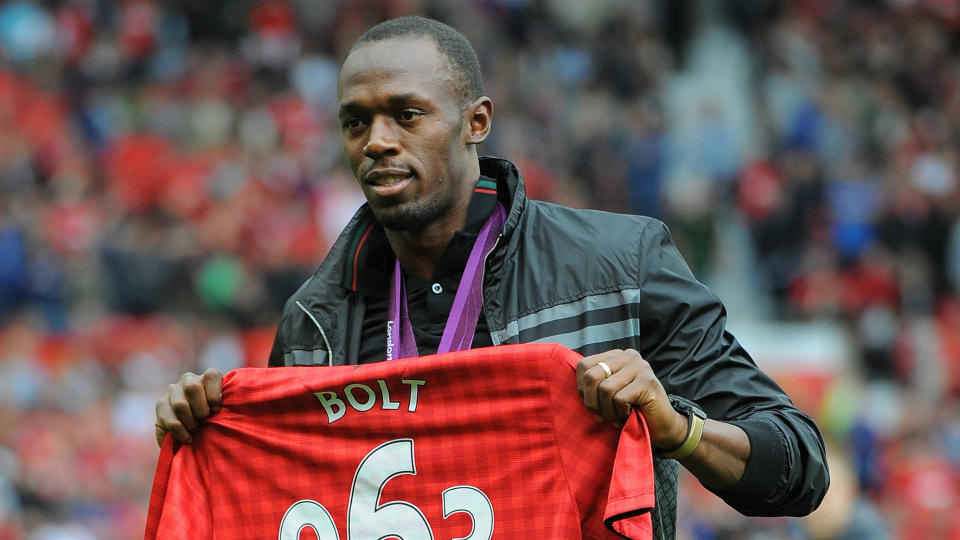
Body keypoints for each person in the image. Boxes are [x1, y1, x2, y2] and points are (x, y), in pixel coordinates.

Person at [154, 16, 828, 539]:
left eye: (406, 114)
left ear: (476, 121)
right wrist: (203, 432)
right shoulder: (314, 319)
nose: (377, 141)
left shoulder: (622, 266)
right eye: (355, 123)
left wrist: (676, 428)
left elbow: (799, 468)